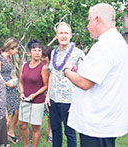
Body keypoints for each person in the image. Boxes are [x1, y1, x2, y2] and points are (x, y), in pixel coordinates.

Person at [63, 3, 128, 147]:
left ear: (97, 20)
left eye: (88, 21)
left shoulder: (105, 46)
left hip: (97, 123)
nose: (87, 25)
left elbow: (85, 83)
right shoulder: (117, 42)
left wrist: (66, 70)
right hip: (107, 120)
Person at [45, 22, 85, 147]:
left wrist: (77, 101)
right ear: (56, 36)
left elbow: (83, 79)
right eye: (61, 33)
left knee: (70, 132)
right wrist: (48, 95)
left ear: (71, 35)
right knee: (56, 130)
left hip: (69, 100)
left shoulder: (78, 54)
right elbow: (52, 74)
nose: (63, 36)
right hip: (54, 99)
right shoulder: (54, 53)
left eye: (66, 33)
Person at [19, 40, 49, 147]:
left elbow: (45, 86)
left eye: (39, 50)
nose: (37, 53)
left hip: (37, 101)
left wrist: (34, 94)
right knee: (22, 124)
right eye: (34, 50)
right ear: (29, 53)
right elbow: (21, 82)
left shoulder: (43, 68)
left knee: (35, 127)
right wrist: (22, 92)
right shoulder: (24, 66)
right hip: (25, 99)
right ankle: (27, 145)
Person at [0, 37, 20, 145]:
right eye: (16, 49)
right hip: (3, 87)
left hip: (12, 87)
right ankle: (2, 138)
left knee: (17, 110)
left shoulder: (10, 58)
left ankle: (11, 132)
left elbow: (9, 72)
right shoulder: (0, 58)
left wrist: (14, 79)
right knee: (4, 112)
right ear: (10, 48)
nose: (17, 51)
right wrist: (7, 84)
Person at [41, 45, 53, 143]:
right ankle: (36, 131)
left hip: (49, 92)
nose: (42, 59)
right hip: (39, 91)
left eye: (45, 56)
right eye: (41, 56)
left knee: (50, 114)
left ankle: (50, 132)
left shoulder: (51, 67)